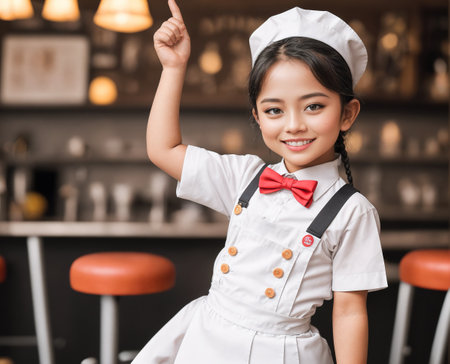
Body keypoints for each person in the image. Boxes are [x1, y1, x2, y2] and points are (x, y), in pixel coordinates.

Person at [132, 1, 387, 363]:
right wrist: (173, 67)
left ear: (347, 113)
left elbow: (349, 313)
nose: (294, 124)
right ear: (257, 116)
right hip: (207, 340)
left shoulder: (354, 212)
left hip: (282, 352)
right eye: (274, 110)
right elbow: (163, 148)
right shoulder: (245, 176)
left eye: (314, 106)